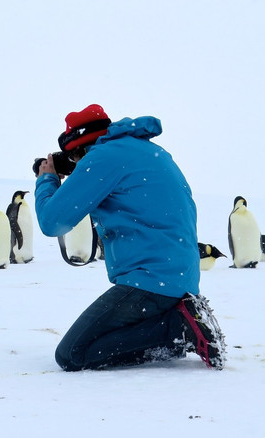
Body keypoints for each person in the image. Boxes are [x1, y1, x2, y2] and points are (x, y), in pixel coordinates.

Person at [34, 104, 226, 370]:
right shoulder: (152, 151)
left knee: (72, 353)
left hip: (149, 280)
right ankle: (178, 321)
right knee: (102, 337)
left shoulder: (103, 158)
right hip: (179, 276)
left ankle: (178, 331)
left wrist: (47, 180)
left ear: (80, 148)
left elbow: (51, 222)